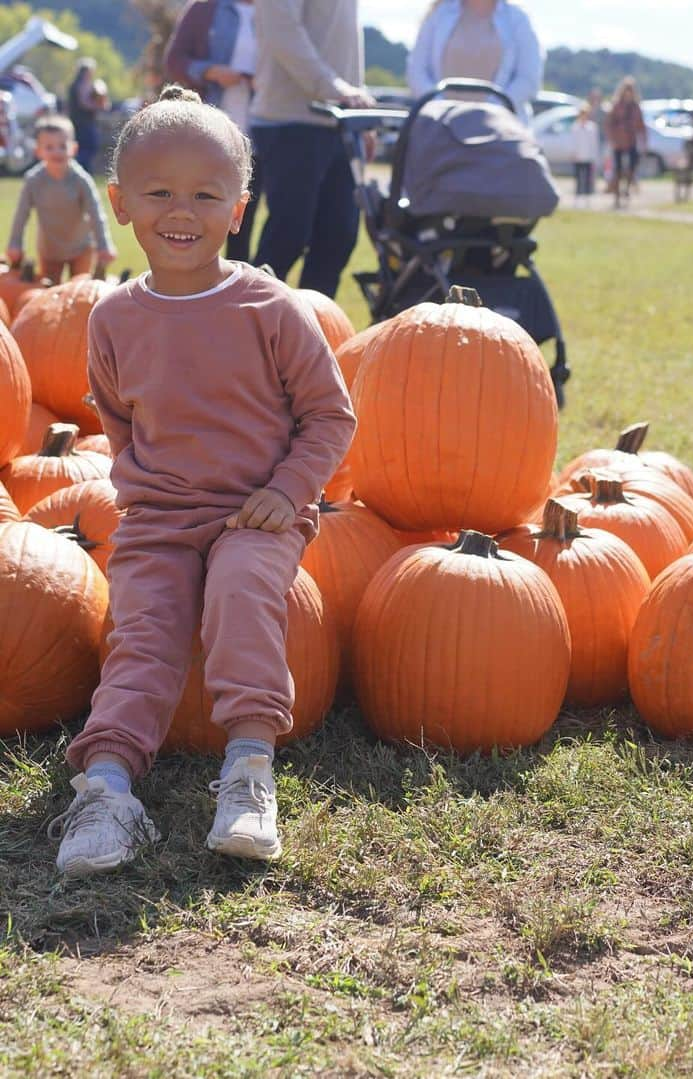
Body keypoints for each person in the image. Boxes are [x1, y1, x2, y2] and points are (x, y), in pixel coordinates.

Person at [47, 86, 356, 877]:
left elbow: (330, 415)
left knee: (242, 592)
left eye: (205, 194)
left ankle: (249, 768)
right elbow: (119, 420)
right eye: (158, 192)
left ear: (239, 208)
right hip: (157, 518)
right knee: (141, 635)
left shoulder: (270, 308)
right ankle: (109, 784)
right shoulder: (113, 318)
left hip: (257, 513)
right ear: (119, 203)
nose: (180, 210)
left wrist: (290, 492)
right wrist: (143, 490)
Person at [249, 0, 373, 297]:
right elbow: (283, 31)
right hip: (289, 121)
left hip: (339, 122)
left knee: (338, 236)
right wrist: (335, 88)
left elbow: (344, 46)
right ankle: (244, 324)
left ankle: (313, 332)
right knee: (288, 235)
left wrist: (358, 106)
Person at [164, 0, 261, 262]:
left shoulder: (276, 13)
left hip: (264, 131)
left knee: (245, 216)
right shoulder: (204, 9)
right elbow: (175, 60)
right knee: (203, 209)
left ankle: (240, 287)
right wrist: (209, 71)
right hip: (211, 134)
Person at [6, 115, 116, 282]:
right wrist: (15, 243)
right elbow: (21, 215)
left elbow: (96, 213)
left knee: (80, 290)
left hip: (81, 248)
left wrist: (104, 245)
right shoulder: (33, 180)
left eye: (62, 146)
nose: (57, 151)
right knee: (50, 292)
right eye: (49, 147)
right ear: (38, 151)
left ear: (74, 148)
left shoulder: (81, 180)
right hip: (50, 250)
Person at [407, 0, 543, 119]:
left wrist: (487, 112)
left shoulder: (517, 18)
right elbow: (416, 71)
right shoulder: (439, 14)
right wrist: (441, 106)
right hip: (440, 130)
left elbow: (528, 80)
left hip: (500, 133)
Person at [605, 76, 646, 209]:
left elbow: (641, 126)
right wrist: (612, 138)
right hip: (618, 142)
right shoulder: (617, 106)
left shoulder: (635, 107)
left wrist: (643, 141)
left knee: (632, 167)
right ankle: (616, 196)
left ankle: (627, 189)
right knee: (617, 170)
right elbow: (610, 124)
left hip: (631, 141)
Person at [67, 58, 110, 175]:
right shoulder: (82, 84)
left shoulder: (76, 84)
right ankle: (80, 170)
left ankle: (80, 170)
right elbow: (84, 103)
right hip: (83, 122)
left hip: (79, 122)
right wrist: (98, 105)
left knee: (85, 148)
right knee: (89, 146)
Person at [570, 104, 599, 206]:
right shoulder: (575, 126)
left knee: (587, 179)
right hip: (578, 156)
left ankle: (587, 199)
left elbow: (594, 143)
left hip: (588, 157)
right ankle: (577, 198)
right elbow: (573, 142)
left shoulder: (592, 127)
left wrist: (594, 157)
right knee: (578, 178)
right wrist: (573, 153)